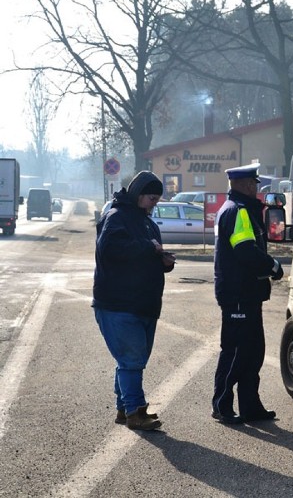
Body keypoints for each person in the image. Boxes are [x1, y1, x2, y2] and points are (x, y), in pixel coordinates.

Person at [93, 171, 176, 431]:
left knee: (132, 361)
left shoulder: (147, 222)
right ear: (139, 194)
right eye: (152, 198)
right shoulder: (117, 217)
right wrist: (148, 248)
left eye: (157, 200)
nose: (154, 204)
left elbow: (147, 254)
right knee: (132, 360)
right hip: (119, 304)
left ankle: (123, 408)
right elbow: (109, 250)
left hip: (144, 304)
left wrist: (164, 262)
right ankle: (136, 412)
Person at [212, 163, 285, 424]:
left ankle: (250, 407)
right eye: (253, 183)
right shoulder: (239, 211)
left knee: (252, 353)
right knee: (235, 352)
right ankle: (221, 405)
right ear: (242, 185)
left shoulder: (235, 209)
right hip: (238, 294)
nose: (256, 187)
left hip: (246, 293)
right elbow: (246, 252)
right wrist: (272, 266)